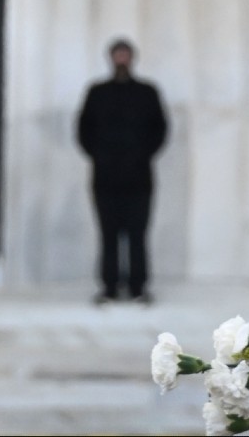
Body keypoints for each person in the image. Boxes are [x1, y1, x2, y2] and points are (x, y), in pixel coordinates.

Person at [77, 38, 169, 305]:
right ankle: (109, 286)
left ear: (132, 58)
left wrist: (142, 156)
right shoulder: (97, 92)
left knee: (138, 233)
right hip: (105, 177)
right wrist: (101, 157)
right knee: (108, 233)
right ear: (110, 58)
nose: (121, 60)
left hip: (139, 176)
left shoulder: (147, 92)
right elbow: (84, 130)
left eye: (125, 55)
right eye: (117, 54)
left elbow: (160, 130)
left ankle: (138, 287)